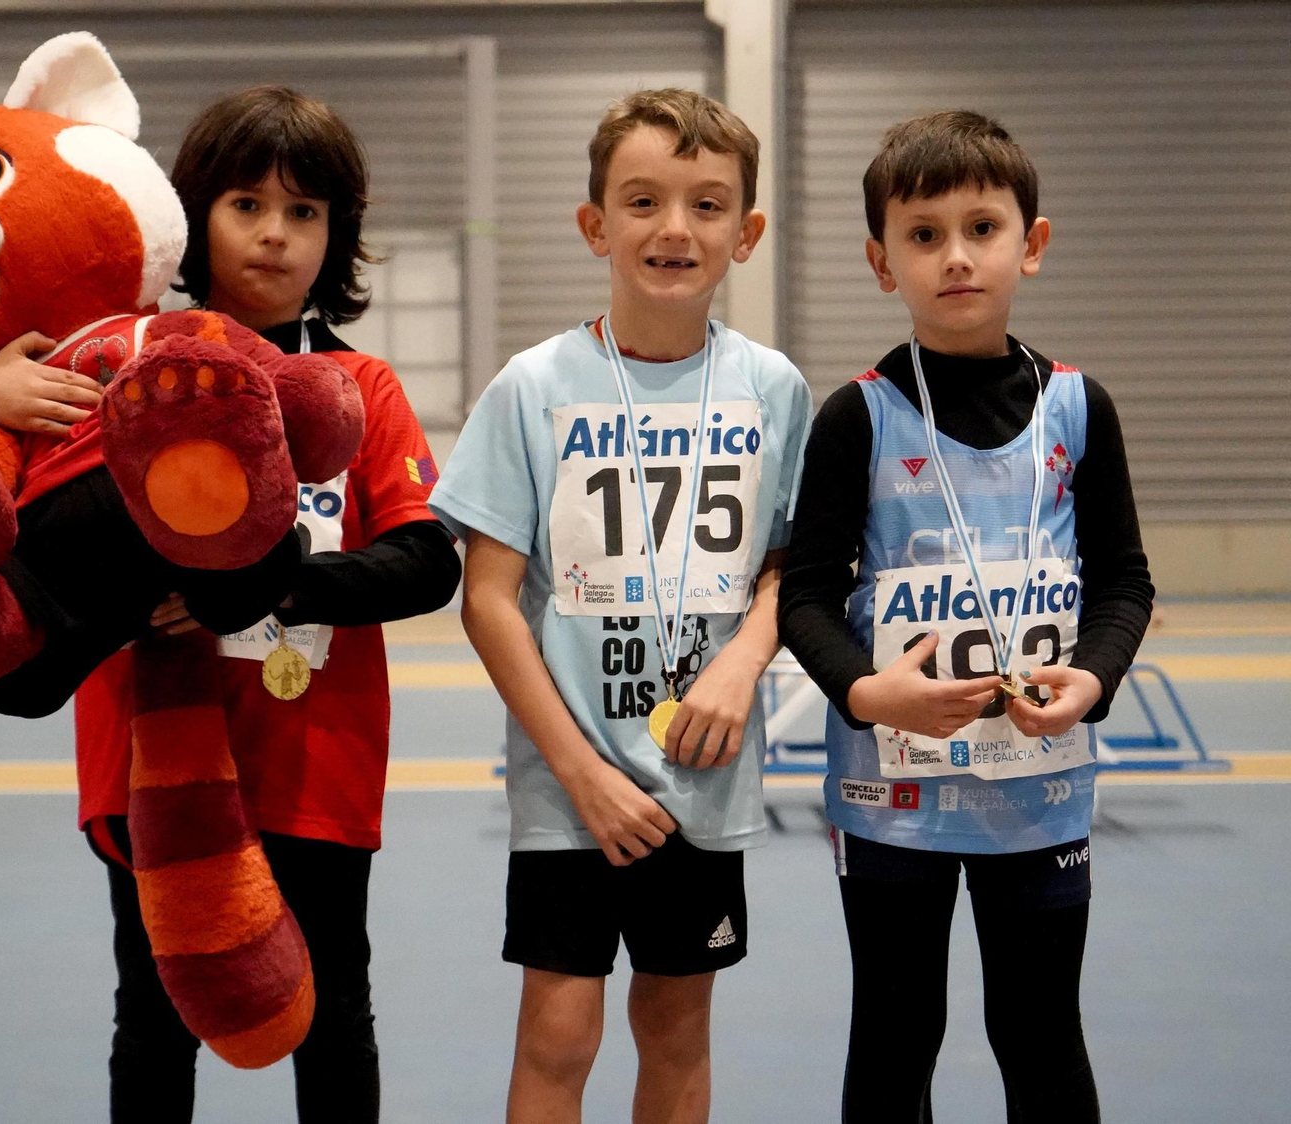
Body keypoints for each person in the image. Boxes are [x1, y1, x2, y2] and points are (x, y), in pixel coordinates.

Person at [0, 86, 460, 1124]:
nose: (274, 233)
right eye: (245, 203)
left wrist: (265, 583)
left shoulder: (357, 385)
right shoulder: (111, 363)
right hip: (146, 766)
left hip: (316, 766)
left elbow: (425, 560)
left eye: (304, 211)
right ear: (192, 216)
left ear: (337, 234)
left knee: (332, 1010)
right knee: (152, 1018)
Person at [429, 89, 811, 1124]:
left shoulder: (772, 388)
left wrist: (739, 666)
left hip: (703, 779)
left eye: (707, 204)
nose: (674, 228)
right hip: (571, 793)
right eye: (642, 201)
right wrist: (581, 772)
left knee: (677, 1030)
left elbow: (790, 570)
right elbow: (490, 599)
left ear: (747, 231)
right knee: (557, 1032)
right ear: (595, 222)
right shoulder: (531, 385)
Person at [777, 110, 1154, 1124]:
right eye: (923, 233)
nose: (954, 255)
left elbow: (1122, 578)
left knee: (1037, 1029)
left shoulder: (1081, 408)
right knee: (897, 1029)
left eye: (981, 227)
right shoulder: (857, 414)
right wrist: (864, 687)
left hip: (1039, 788)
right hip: (891, 789)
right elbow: (805, 591)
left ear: (1030, 244)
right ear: (879, 258)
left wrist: (1095, 676)